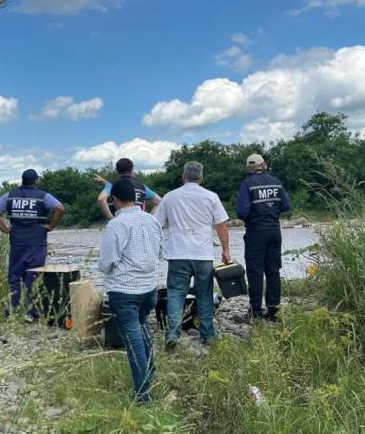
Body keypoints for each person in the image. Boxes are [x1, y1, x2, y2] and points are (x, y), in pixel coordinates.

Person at [153, 161, 231, 349]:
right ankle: (207, 335)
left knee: (175, 294)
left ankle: (172, 334)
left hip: (178, 253)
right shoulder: (211, 197)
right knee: (204, 294)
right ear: (201, 177)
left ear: (183, 177)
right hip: (203, 254)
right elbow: (221, 225)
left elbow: (157, 224)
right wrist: (226, 250)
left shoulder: (170, 197)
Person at [97, 179, 162, 403]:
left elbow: (106, 262)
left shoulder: (116, 224)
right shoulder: (151, 221)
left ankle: (143, 395)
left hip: (124, 291)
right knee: (141, 328)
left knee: (133, 340)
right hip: (149, 290)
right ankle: (150, 373)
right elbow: (159, 252)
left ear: (113, 200)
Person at [0, 169, 64, 321]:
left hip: (17, 241)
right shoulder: (43, 196)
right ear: (36, 180)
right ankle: (31, 312)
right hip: (37, 241)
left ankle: (13, 310)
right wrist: (51, 226)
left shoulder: (10, 195)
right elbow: (60, 208)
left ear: (22, 180)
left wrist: (5, 229)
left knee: (15, 276)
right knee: (33, 276)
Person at [235, 153, 291, 321]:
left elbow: (242, 212)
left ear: (248, 168)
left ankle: (256, 312)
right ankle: (274, 311)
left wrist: (252, 217)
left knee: (255, 271)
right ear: (264, 165)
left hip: (255, 231)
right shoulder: (276, 182)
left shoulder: (247, 184)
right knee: (273, 270)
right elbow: (286, 206)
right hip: (274, 230)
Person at [94, 158, 161, 220]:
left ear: (117, 171)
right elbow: (159, 201)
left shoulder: (112, 184)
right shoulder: (141, 186)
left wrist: (111, 218)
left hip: (120, 223)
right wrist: (148, 219)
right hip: (138, 222)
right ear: (132, 170)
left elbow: (101, 199)